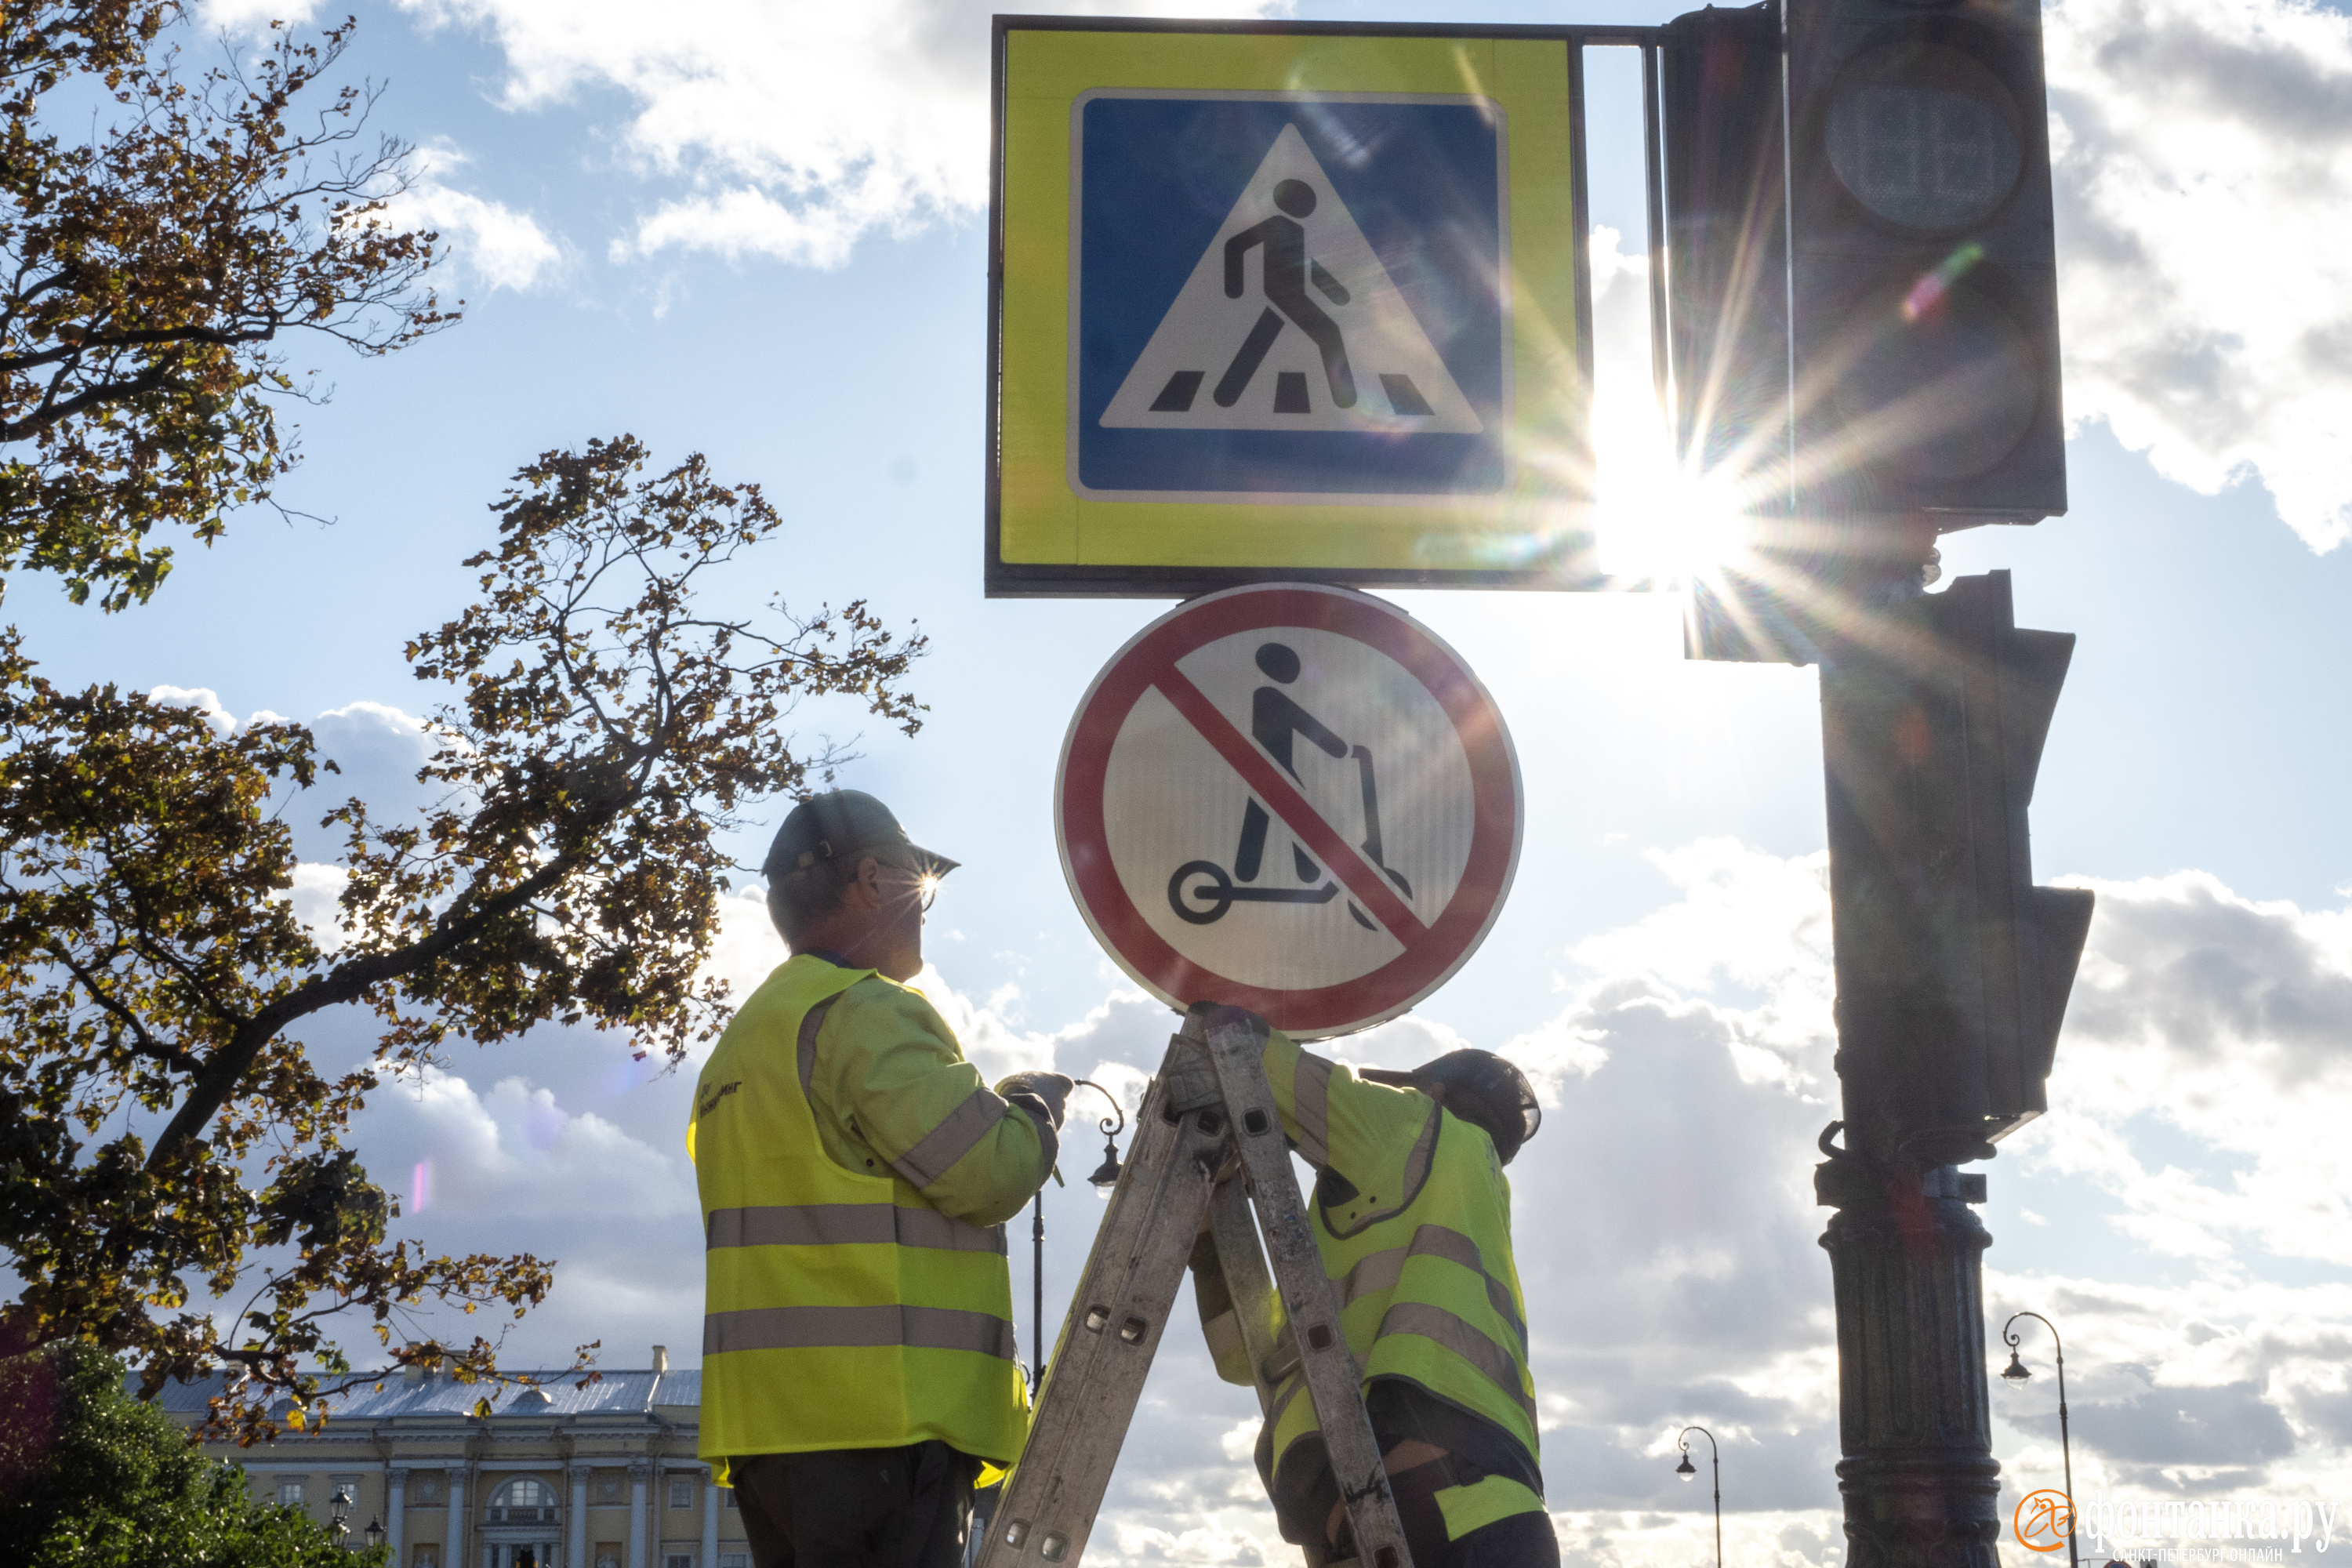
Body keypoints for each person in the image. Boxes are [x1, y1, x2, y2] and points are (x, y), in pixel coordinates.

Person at [688, 790, 1071, 1568]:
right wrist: (1033, 1107)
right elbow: (988, 1173)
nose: (926, 904)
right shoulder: (867, 1012)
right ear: (870, 877)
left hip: (771, 1432)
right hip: (879, 1428)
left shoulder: (742, 1044)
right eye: (916, 878)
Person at [1189, 1003, 1556, 1568]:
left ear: (1431, 1092)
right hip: (1488, 1508)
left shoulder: (1418, 1127)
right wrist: (1217, 1245)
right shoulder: (1460, 1205)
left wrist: (1221, 992)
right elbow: (1252, 1359)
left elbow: (1248, 1059)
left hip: (1425, 1501)